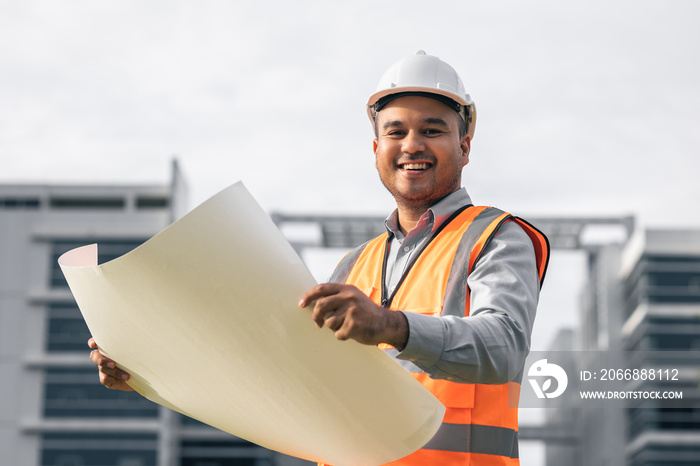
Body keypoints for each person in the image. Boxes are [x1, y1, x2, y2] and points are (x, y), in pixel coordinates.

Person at [90, 51, 550, 466]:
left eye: (432, 130)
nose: (412, 145)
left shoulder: (495, 237)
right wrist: (150, 375)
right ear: (377, 152)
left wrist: (392, 326)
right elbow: (290, 382)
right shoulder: (354, 266)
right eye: (395, 132)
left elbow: (504, 347)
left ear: (464, 146)